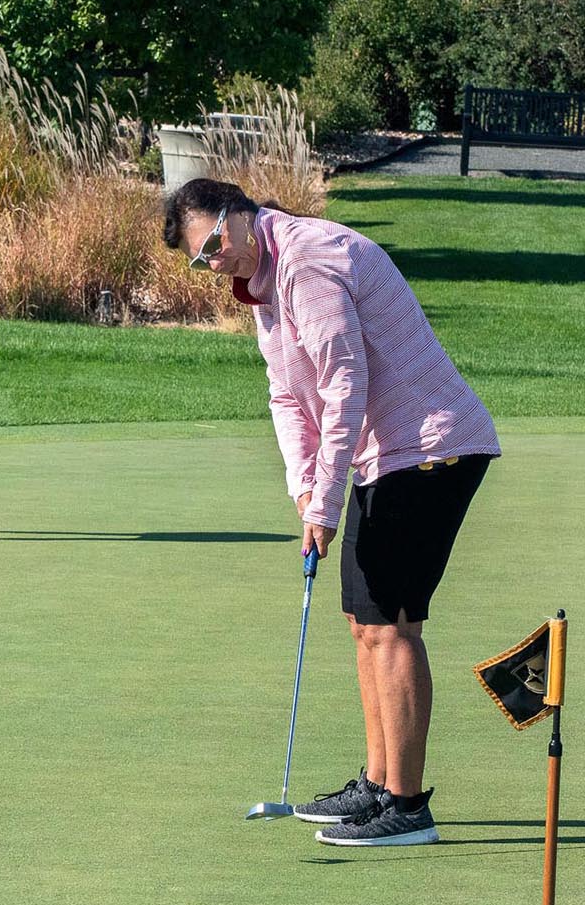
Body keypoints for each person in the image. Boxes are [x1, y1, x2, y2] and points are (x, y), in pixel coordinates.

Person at [163, 178, 500, 847]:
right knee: (364, 622)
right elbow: (287, 394)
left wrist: (326, 500)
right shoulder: (263, 282)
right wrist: (304, 490)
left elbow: (345, 387)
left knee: (391, 625)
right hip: (386, 456)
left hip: (430, 450)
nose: (215, 262)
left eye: (214, 244)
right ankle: (378, 784)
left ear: (238, 214)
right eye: (202, 260)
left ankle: (407, 807)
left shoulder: (306, 259)